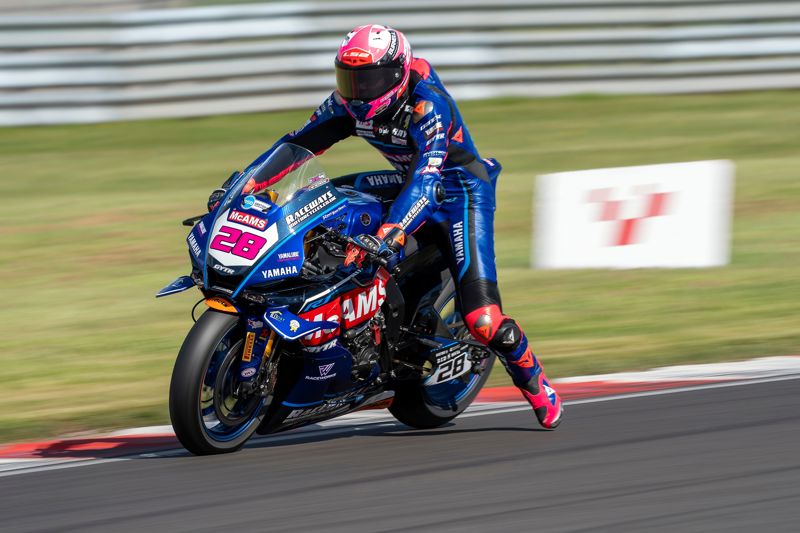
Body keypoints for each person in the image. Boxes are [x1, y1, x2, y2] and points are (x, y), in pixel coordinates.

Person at [216, 24, 563, 428]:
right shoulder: (345, 104)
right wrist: (246, 185)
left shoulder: (428, 106)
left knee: (483, 320)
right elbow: (298, 144)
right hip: (405, 181)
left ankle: (535, 382)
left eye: (370, 80)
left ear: (398, 73)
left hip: (457, 194)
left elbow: (426, 183)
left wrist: (389, 233)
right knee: (325, 202)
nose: (359, 91)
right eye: (350, 79)